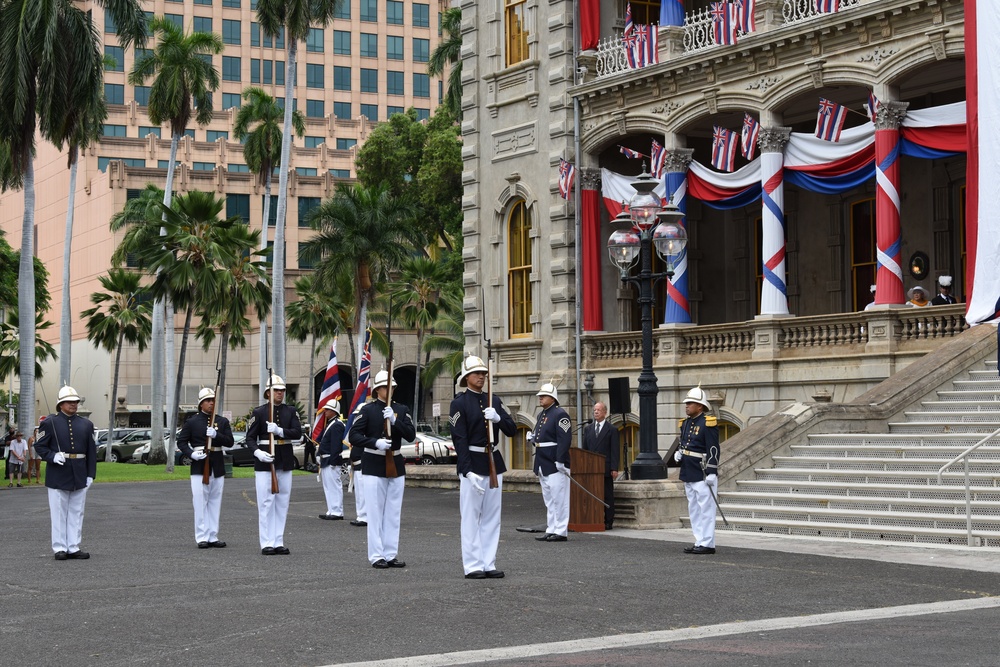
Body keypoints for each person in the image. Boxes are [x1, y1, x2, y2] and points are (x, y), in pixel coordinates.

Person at [449, 355, 516, 579]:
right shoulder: (459, 403)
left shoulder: (493, 401)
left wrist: (498, 418)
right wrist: (466, 470)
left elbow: (512, 429)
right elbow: (459, 439)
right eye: (477, 373)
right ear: (467, 377)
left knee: (491, 518)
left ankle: (489, 562)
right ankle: (473, 565)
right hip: (473, 463)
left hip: (493, 463)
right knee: (470, 518)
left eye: (484, 373)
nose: (482, 376)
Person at [348, 369, 415, 569]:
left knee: (393, 513)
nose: (390, 389)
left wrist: (396, 422)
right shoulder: (367, 410)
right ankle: (377, 555)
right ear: (377, 390)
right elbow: (354, 435)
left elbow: (410, 435)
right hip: (374, 462)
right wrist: (374, 442)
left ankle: (390, 553)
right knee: (375, 512)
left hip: (395, 463)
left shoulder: (401, 410)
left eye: (392, 386)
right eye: (385, 386)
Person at [33, 385, 97, 560]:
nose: (73, 405)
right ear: (60, 404)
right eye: (68, 402)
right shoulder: (49, 422)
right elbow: (39, 445)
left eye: (75, 402)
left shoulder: (86, 424)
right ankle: (60, 547)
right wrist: (53, 456)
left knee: (77, 511)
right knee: (59, 512)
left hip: (79, 471)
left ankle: (74, 546)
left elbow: (92, 451)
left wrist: (91, 473)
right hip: (58, 472)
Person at [246, 374, 302, 555]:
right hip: (265, 461)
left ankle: (278, 540)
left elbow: (297, 433)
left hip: (284, 459)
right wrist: (257, 453)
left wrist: (280, 431)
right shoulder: (259, 412)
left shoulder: (291, 411)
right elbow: (250, 438)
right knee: (266, 503)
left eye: (282, 390)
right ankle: (266, 542)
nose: (280, 393)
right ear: (268, 393)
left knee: (282, 502)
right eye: (276, 390)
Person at [176, 387, 234, 549]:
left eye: (213, 400)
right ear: (201, 404)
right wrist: (191, 454)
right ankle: (201, 536)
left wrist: (217, 436)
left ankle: (213, 535)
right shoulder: (192, 422)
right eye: (207, 401)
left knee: (215, 501)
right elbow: (181, 442)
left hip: (217, 463)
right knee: (200, 501)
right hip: (199, 464)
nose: (211, 403)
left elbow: (229, 441)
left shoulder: (222, 422)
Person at [674, 386, 720, 555]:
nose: (686, 406)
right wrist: (679, 452)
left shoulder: (708, 423)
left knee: (706, 509)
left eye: (690, 403)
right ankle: (699, 540)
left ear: (700, 406)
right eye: (687, 403)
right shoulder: (685, 423)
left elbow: (713, 448)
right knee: (694, 508)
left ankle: (708, 543)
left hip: (702, 471)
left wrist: (712, 471)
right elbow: (685, 443)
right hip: (688, 470)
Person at [529, 382, 572, 542]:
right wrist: (533, 439)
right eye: (540, 395)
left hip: (554, 461)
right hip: (542, 461)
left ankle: (561, 531)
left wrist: (560, 460)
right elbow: (543, 437)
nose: (540, 398)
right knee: (549, 499)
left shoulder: (560, 414)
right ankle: (552, 528)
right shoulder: (542, 415)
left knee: (559, 498)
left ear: (552, 397)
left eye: (544, 395)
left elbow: (564, 439)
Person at [581, 402, 620, 530]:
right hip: (591, 469)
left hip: (605, 468)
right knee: (593, 494)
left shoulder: (612, 429)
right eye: (594, 410)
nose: (596, 412)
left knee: (607, 495)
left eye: (598, 410)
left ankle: (608, 520)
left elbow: (615, 450)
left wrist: (614, 468)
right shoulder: (588, 429)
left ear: (605, 412)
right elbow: (584, 450)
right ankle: (595, 518)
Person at [317, 399, 346, 521]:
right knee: (328, 487)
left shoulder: (337, 425)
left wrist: (333, 461)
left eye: (328, 409)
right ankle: (331, 509)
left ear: (334, 411)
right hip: (326, 460)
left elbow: (335, 445)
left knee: (334, 486)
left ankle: (337, 511)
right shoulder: (330, 424)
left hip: (331, 460)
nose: (326, 411)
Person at [347, 403, 368, 527]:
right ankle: (361, 515)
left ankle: (364, 516)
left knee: (363, 493)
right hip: (357, 465)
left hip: (363, 464)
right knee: (359, 493)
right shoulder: (358, 431)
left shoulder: (365, 431)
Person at [26, 418, 43, 484]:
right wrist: (30, 454)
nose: (37, 432)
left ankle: (38, 479)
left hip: (38, 452)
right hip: (32, 451)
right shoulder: (31, 438)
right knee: (30, 466)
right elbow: (29, 446)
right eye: (36, 431)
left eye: (38, 431)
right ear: (34, 432)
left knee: (38, 467)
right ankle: (29, 480)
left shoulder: (40, 439)